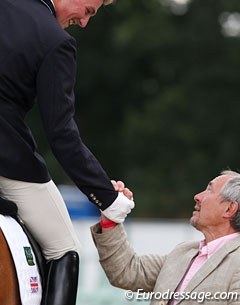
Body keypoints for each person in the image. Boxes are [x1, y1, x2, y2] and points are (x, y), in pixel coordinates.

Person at [0, 0, 134, 304]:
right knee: (64, 248)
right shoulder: (55, 41)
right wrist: (107, 197)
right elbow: (61, 134)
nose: (85, 23)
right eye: (88, 11)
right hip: (6, 156)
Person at [91, 170, 240, 305]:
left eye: (209, 190)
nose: (197, 197)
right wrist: (111, 216)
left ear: (229, 209)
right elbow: (126, 271)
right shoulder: (184, 252)